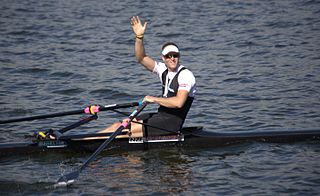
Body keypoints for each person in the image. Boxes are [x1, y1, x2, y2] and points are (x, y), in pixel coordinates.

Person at [99, 16, 196, 137]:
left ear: (179, 56)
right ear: (163, 58)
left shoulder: (186, 75)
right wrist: (139, 37)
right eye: (168, 56)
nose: (172, 58)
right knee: (118, 125)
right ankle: (83, 142)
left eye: (175, 55)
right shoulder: (162, 69)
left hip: (170, 124)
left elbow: (178, 103)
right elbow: (141, 58)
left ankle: (86, 145)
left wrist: (154, 99)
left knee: (122, 131)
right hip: (160, 116)